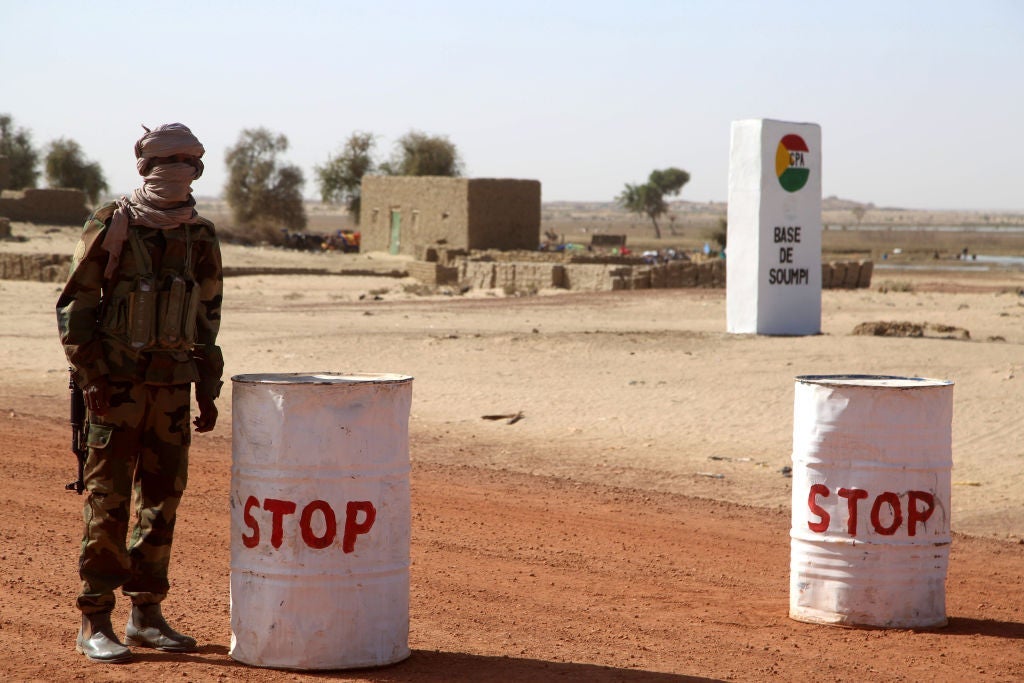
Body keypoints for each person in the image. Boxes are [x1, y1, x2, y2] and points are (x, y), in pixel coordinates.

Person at [56, 123, 224, 663]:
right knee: (108, 502)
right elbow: (76, 305)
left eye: (187, 162)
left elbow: (207, 314)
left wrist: (207, 387)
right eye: (168, 161)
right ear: (146, 166)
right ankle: (95, 618)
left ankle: (146, 615)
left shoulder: (199, 234)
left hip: (172, 389)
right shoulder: (113, 222)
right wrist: (91, 377)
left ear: (197, 169)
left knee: (162, 502)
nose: (178, 171)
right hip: (116, 389)